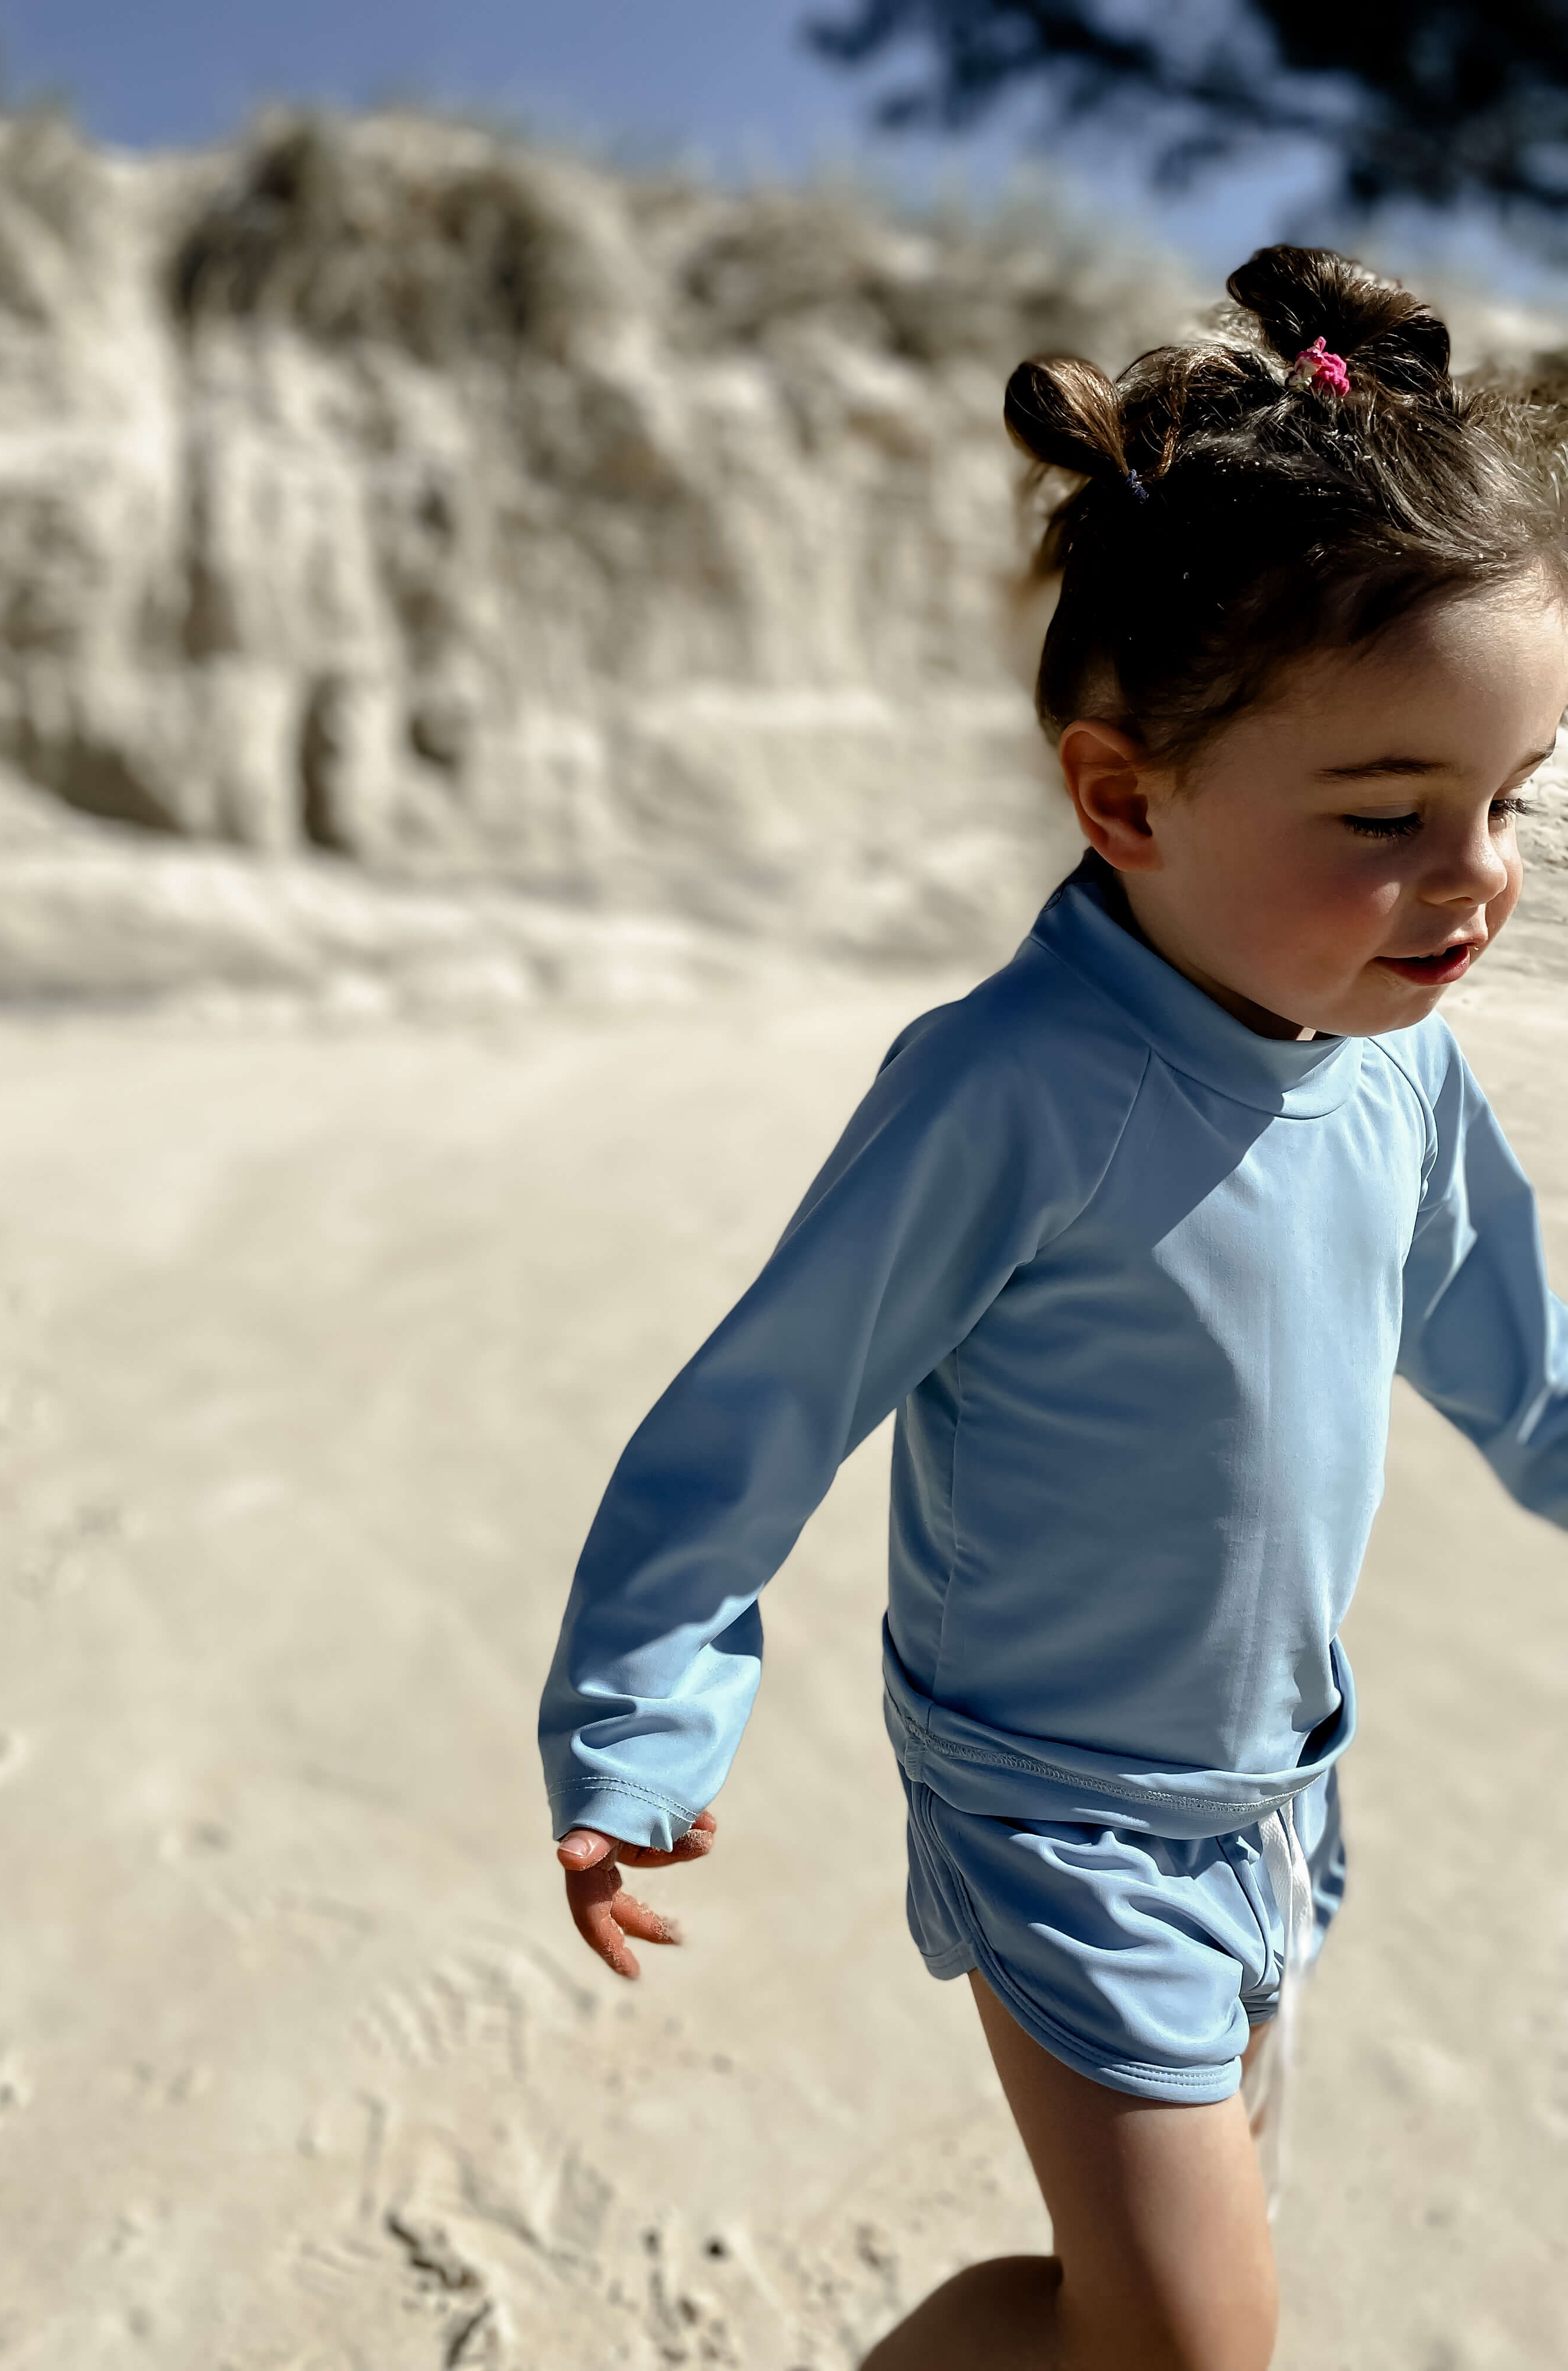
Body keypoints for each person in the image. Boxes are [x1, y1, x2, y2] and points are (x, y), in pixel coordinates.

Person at [536, 245, 1568, 2371]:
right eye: (1390, 820)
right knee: (1195, 2341)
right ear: (1125, 799)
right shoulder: (1017, 1091)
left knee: (1156, 2311)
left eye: (1511, 803)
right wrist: (638, 1723)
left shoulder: (1396, 1061)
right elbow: (765, 1408)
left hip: (1276, 1782)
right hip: (1059, 1808)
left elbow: (1502, 1340)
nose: (1474, 879)